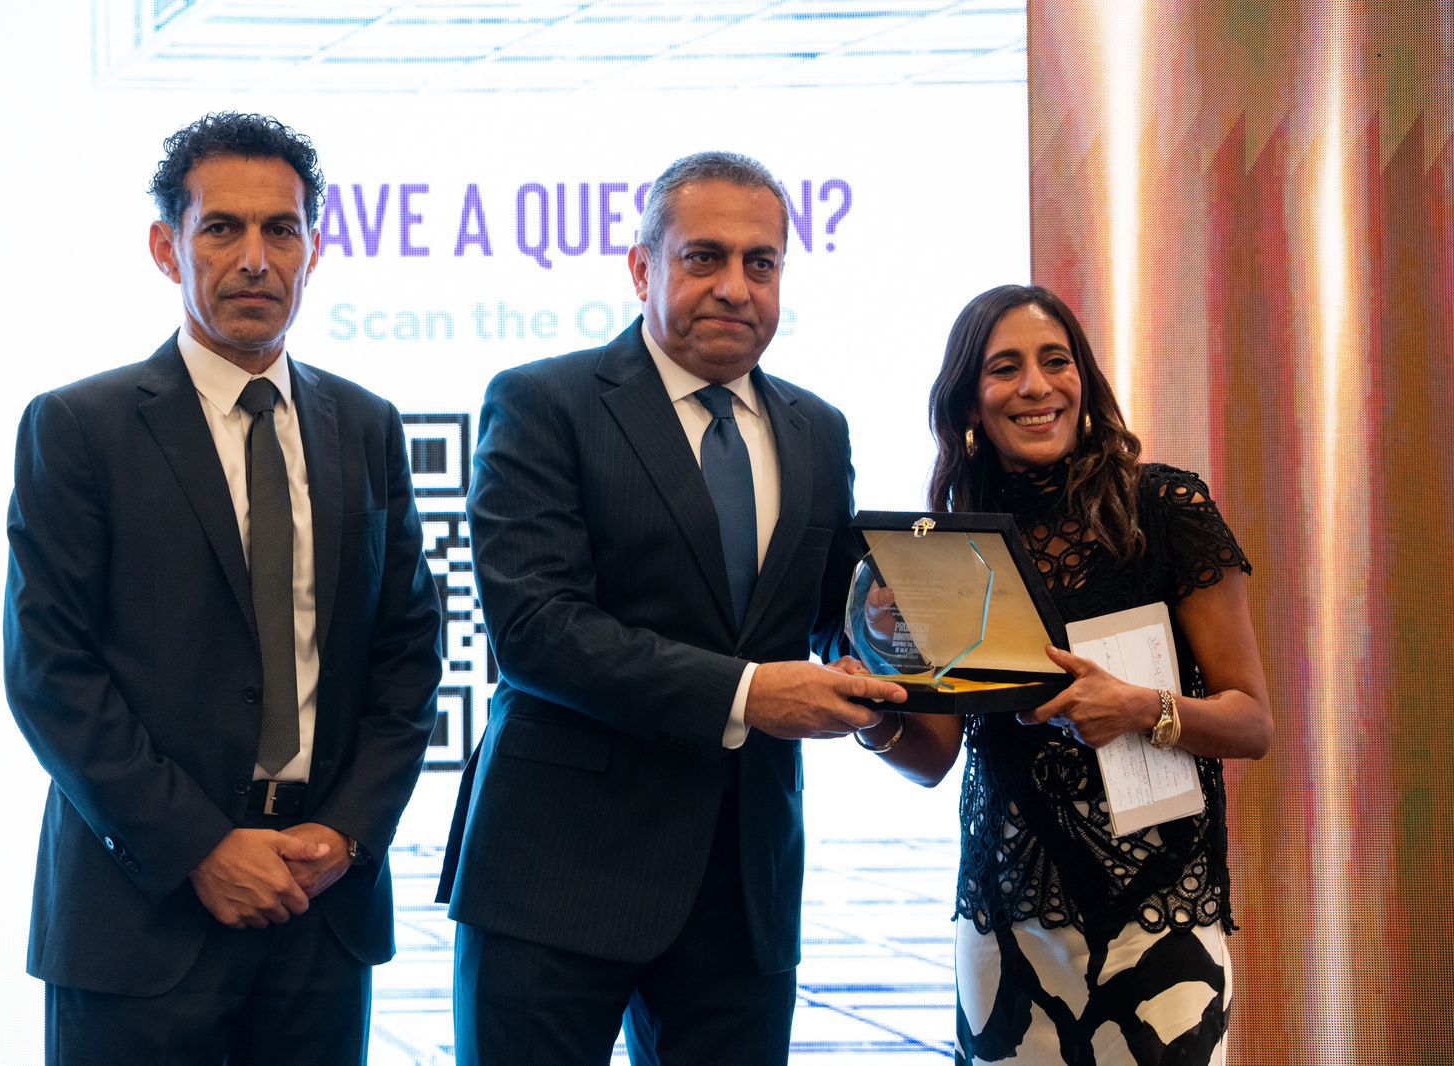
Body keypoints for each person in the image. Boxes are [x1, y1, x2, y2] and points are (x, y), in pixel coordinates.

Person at [435, 151, 908, 1065]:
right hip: (556, 875)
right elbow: (537, 630)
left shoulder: (818, 428)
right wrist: (749, 694)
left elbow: (830, 612)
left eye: (761, 263)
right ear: (642, 267)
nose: (735, 287)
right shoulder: (542, 402)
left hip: (745, 882)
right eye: (705, 257)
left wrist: (891, 625)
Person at [2, 112, 444, 1066]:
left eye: (281, 230)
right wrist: (201, 847)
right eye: (222, 229)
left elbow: (409, 657)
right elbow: (50, 673)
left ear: (313, 248)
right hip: (140, 918)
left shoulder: (367, 425)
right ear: (167, 247)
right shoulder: (79, 427)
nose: (254, 259)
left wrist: (347, 834)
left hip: (321, 913)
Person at [851, 284, 1272, 1064]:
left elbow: (1252, 723)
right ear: (969, 402)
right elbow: (933, 756)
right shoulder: (953, 541)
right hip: (1007, 922)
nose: (1036, 386)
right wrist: (871, 711)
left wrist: (1143, 708)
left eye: (1056, 361)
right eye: (1004, 368)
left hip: (1158, 917)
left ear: (1084, 380)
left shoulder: (1164, 507)